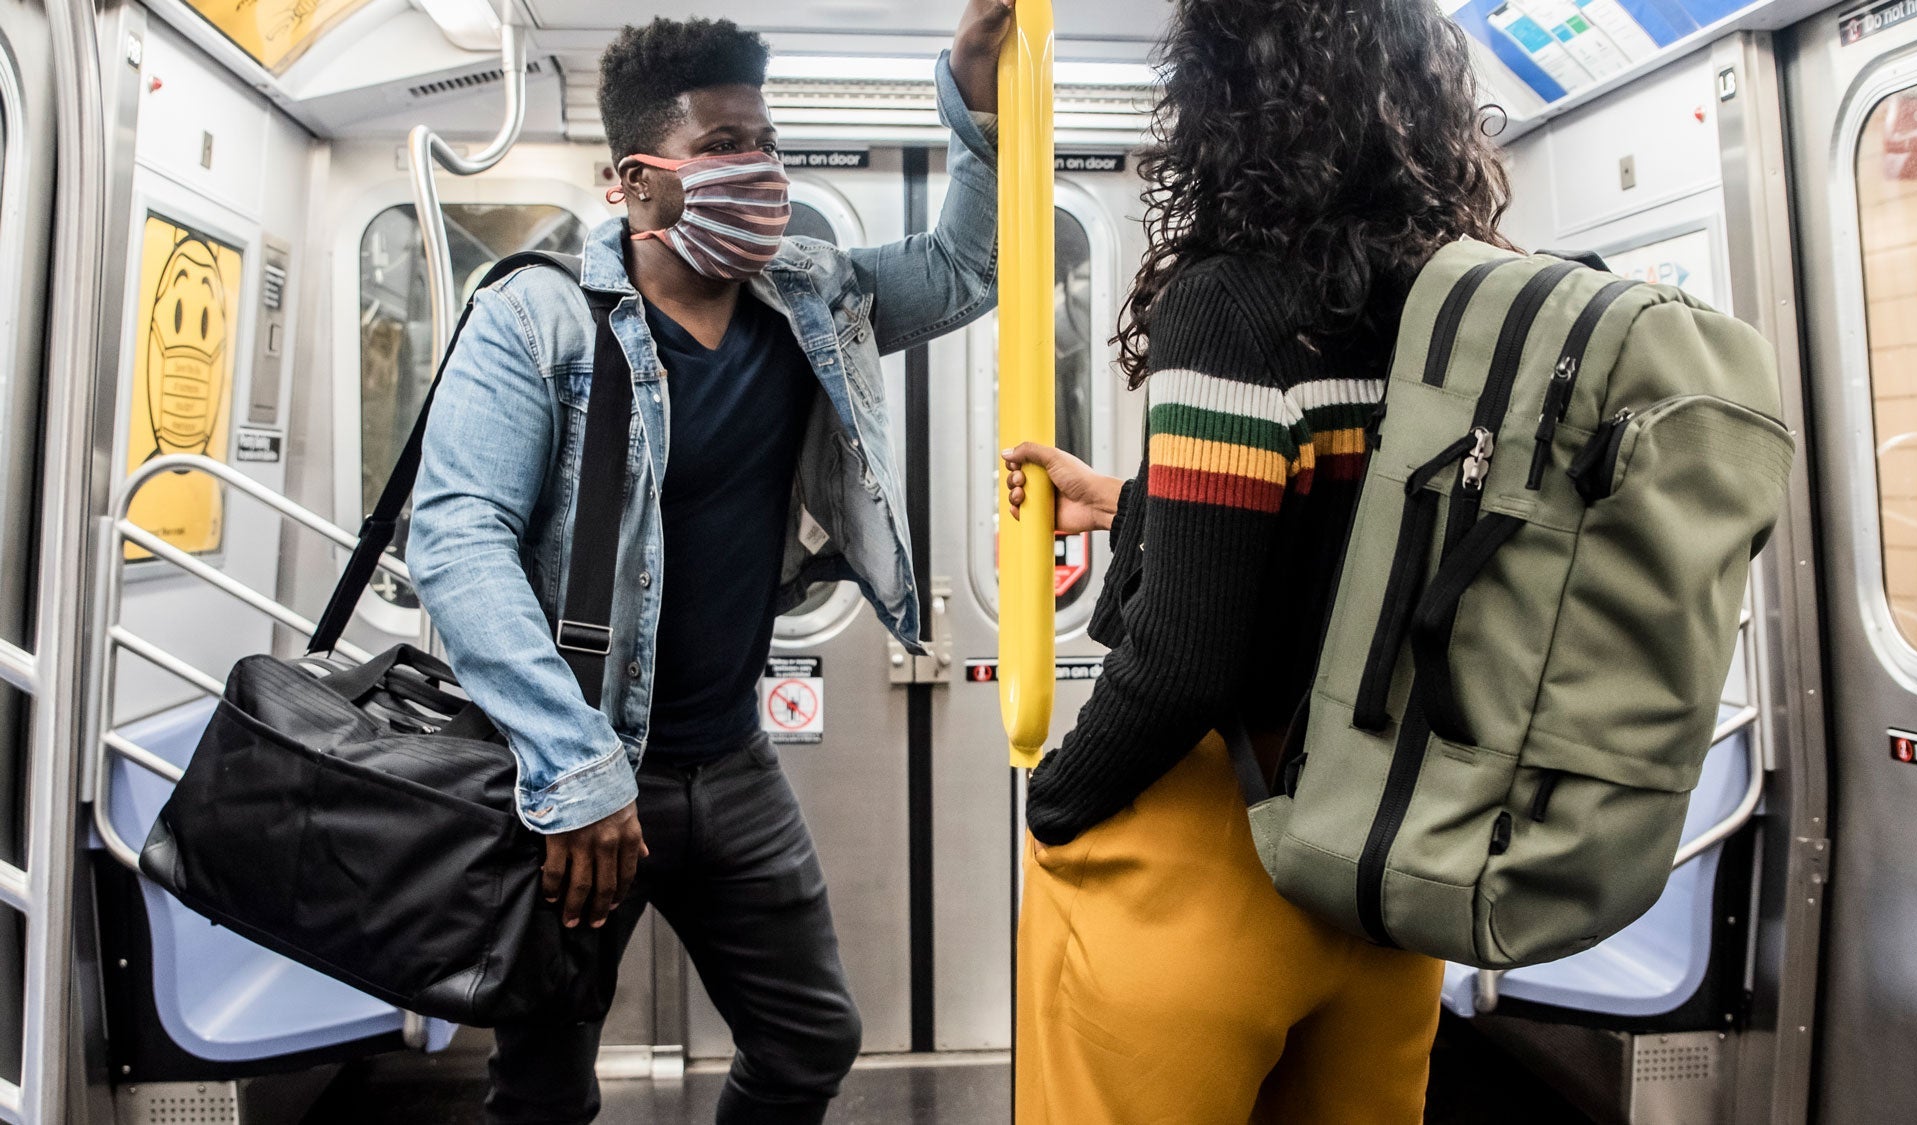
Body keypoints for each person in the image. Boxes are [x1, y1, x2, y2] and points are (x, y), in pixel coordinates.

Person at [406, 6, 1013, 1122]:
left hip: (732, 766)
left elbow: (963, 268)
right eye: (724, 147)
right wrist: (575, 773)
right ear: (634, 184)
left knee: (808, 1040)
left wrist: (971, 95)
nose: (761, 171)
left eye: (766, 143)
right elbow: (456, 539)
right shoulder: (536, 321)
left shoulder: (807, 300)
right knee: (541, 1083)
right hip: (580, 770)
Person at [1002, 0, 1514, 1120]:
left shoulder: (1232, 304)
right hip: (1386, 873)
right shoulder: (1463, 303)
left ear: (1224, 98)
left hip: (1207, 860)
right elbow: (1360, 538)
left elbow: (1185, 660)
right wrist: (1136, 503)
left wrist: (1057, 805)